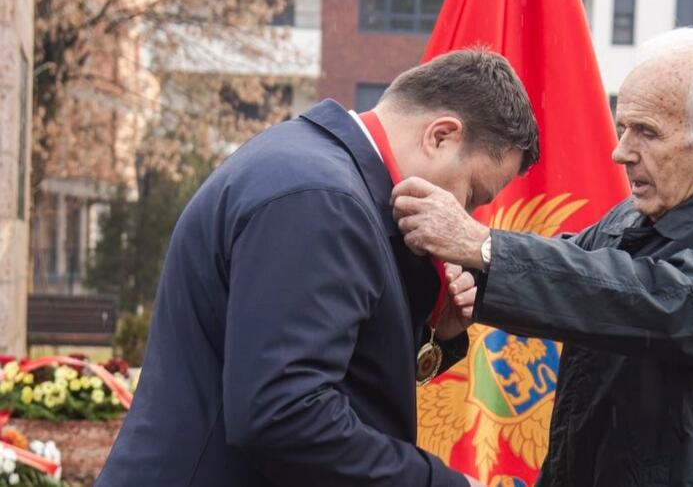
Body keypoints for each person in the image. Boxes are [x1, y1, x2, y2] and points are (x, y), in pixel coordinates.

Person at [393, 29, 693, 486]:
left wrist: (484, 248)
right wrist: (466, 286)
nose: (620, 152)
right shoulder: (631, 219)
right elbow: (568, 278)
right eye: (623, 128)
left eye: (646, 132)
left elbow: (664, 304)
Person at [96, 50, 539, 487]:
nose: (465, 217)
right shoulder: (322, 200)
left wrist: (434, 334)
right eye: (472, 194)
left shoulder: (319, 174)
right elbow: (284, 414)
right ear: (440, 136)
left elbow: (333, 375)